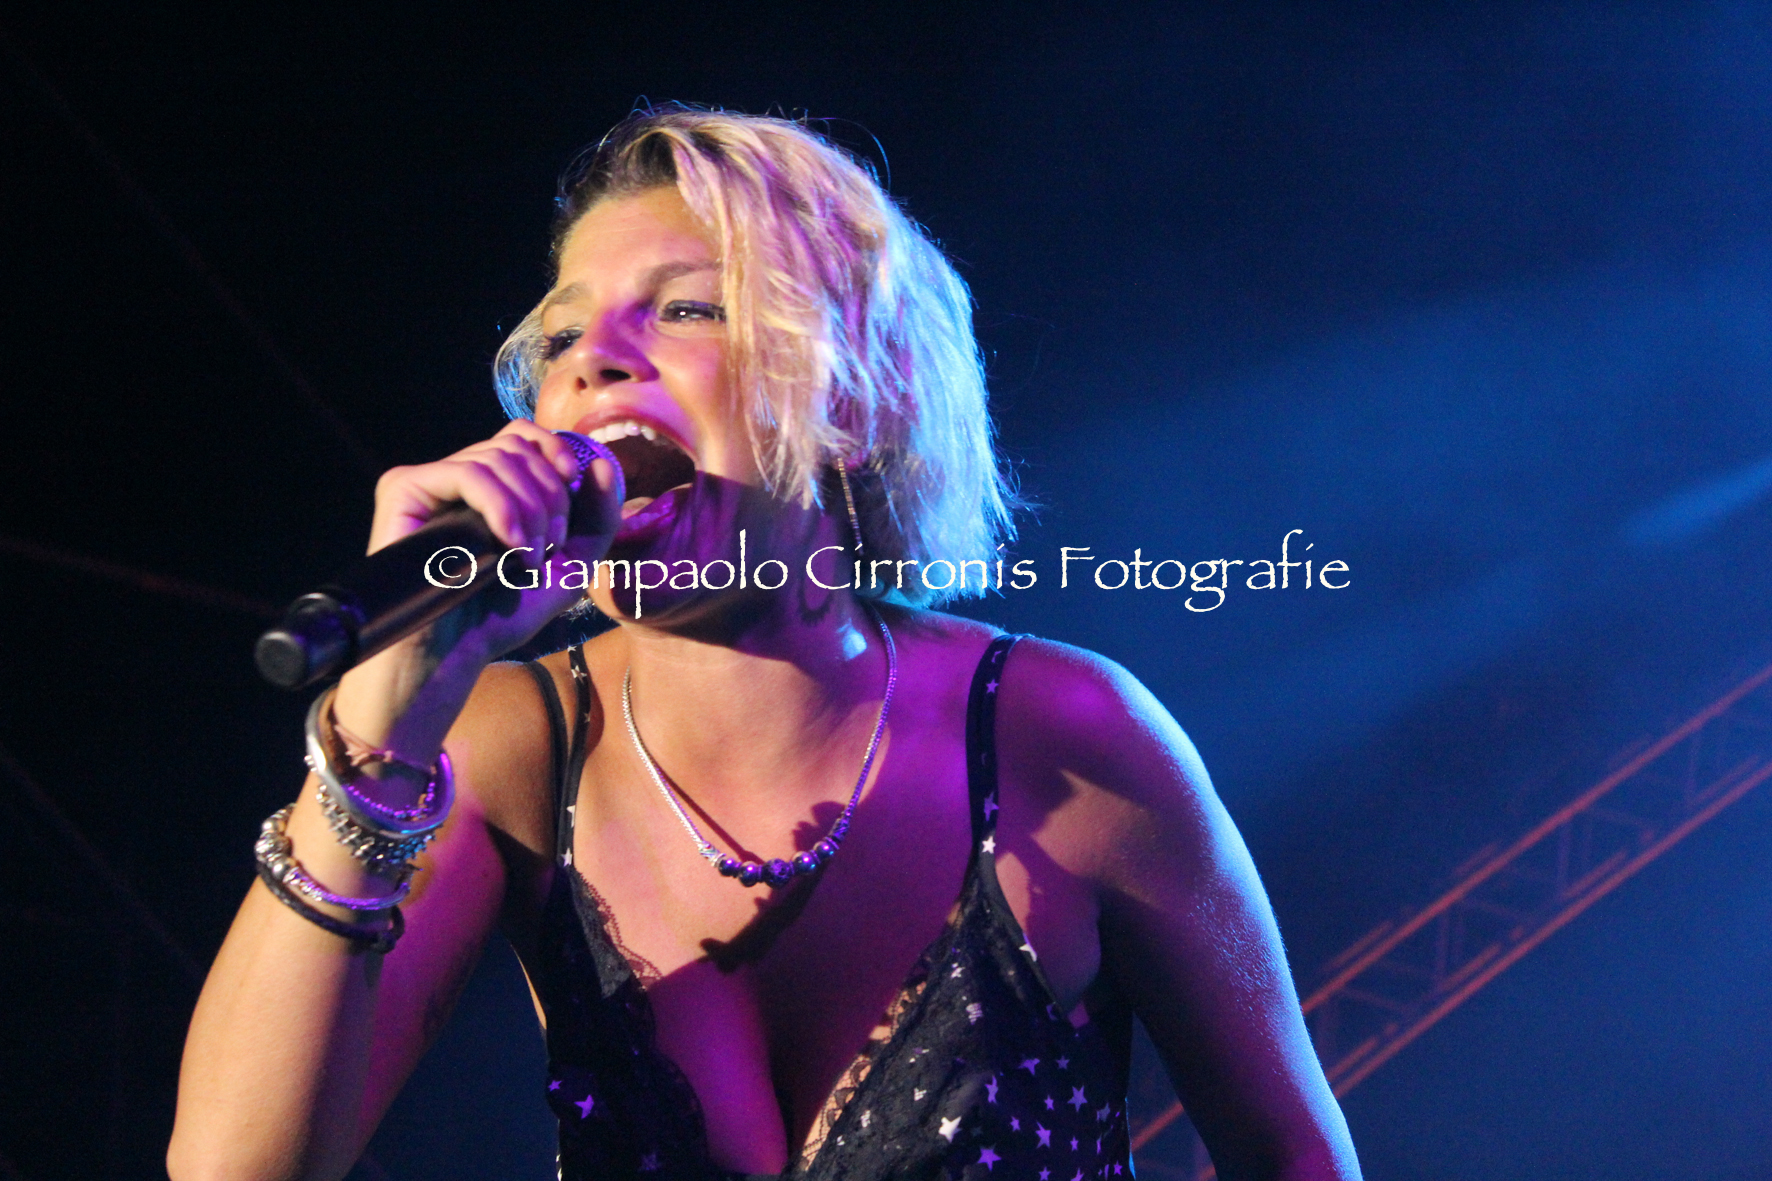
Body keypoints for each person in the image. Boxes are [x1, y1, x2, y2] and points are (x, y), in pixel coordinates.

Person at [168, 107, 1360, 1181]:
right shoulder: (513, 745)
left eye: (686, 307)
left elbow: (1293, 1156)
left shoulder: (1065, 734)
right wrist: (383, 723)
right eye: (564, 334)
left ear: (854, 399)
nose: (592, 358)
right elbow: (234, 1167)